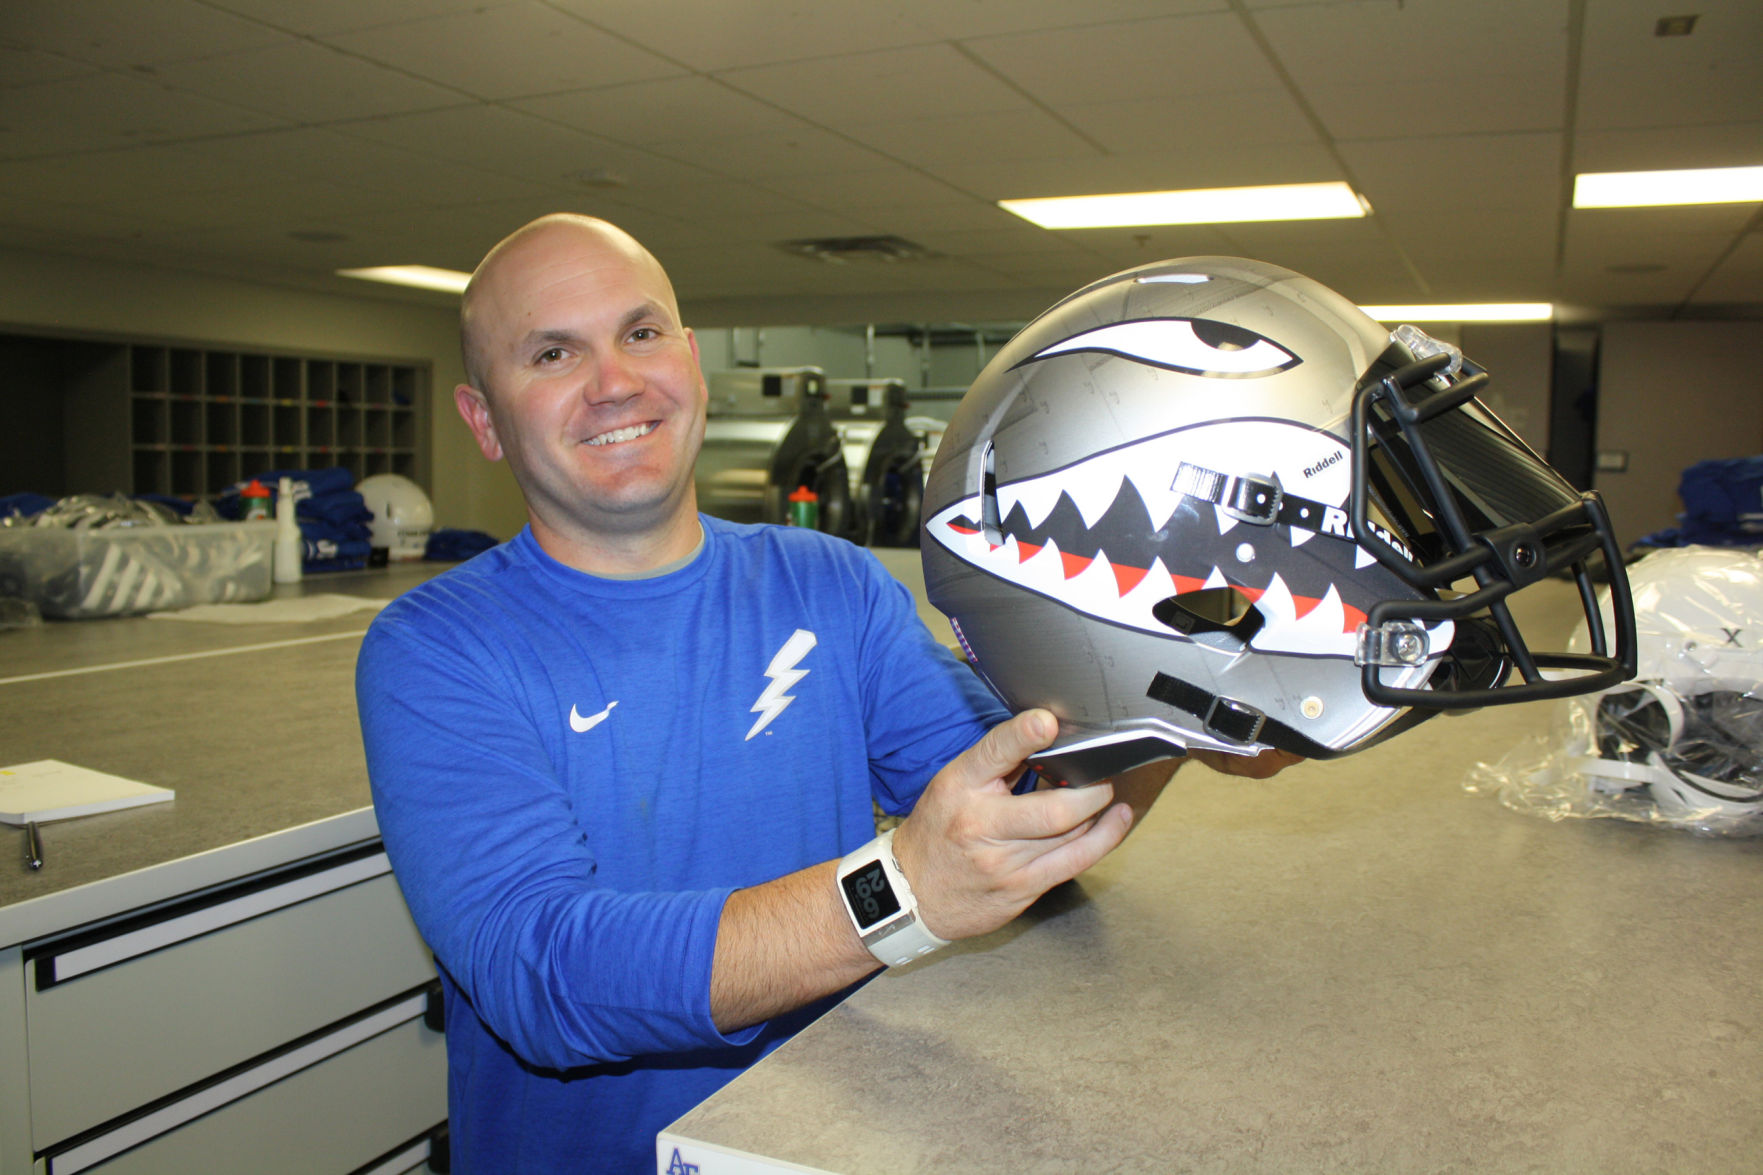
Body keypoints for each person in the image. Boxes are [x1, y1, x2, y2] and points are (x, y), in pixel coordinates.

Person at [356, 213, 1295, 1174]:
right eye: (553, 352)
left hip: (824, 1143)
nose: (614, 382)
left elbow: (1015, 806)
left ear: (689, 359)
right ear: (483, 421)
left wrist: (1188, 694)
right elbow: (543, 972)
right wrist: (897, 890)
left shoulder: (828, 585)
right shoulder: (437, 649)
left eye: (641, 333)